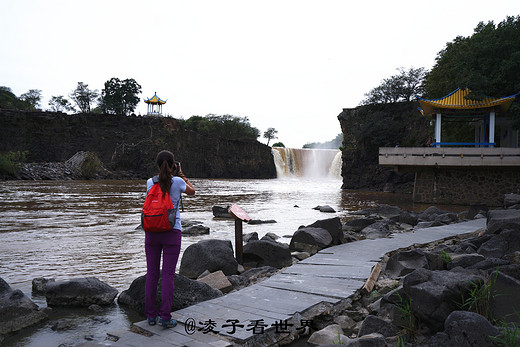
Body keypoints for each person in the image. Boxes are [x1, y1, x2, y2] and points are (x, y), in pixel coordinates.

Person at [144, 150, 195, 328]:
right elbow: (192, 192)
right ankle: (165, 317)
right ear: (173, 165)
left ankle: (150, 316)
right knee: (167, 275)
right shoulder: (179, 182)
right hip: (172, 231)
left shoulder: (150, 182)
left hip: (151, 231)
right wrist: (181, 173)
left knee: (151, 274)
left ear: (157, 166)